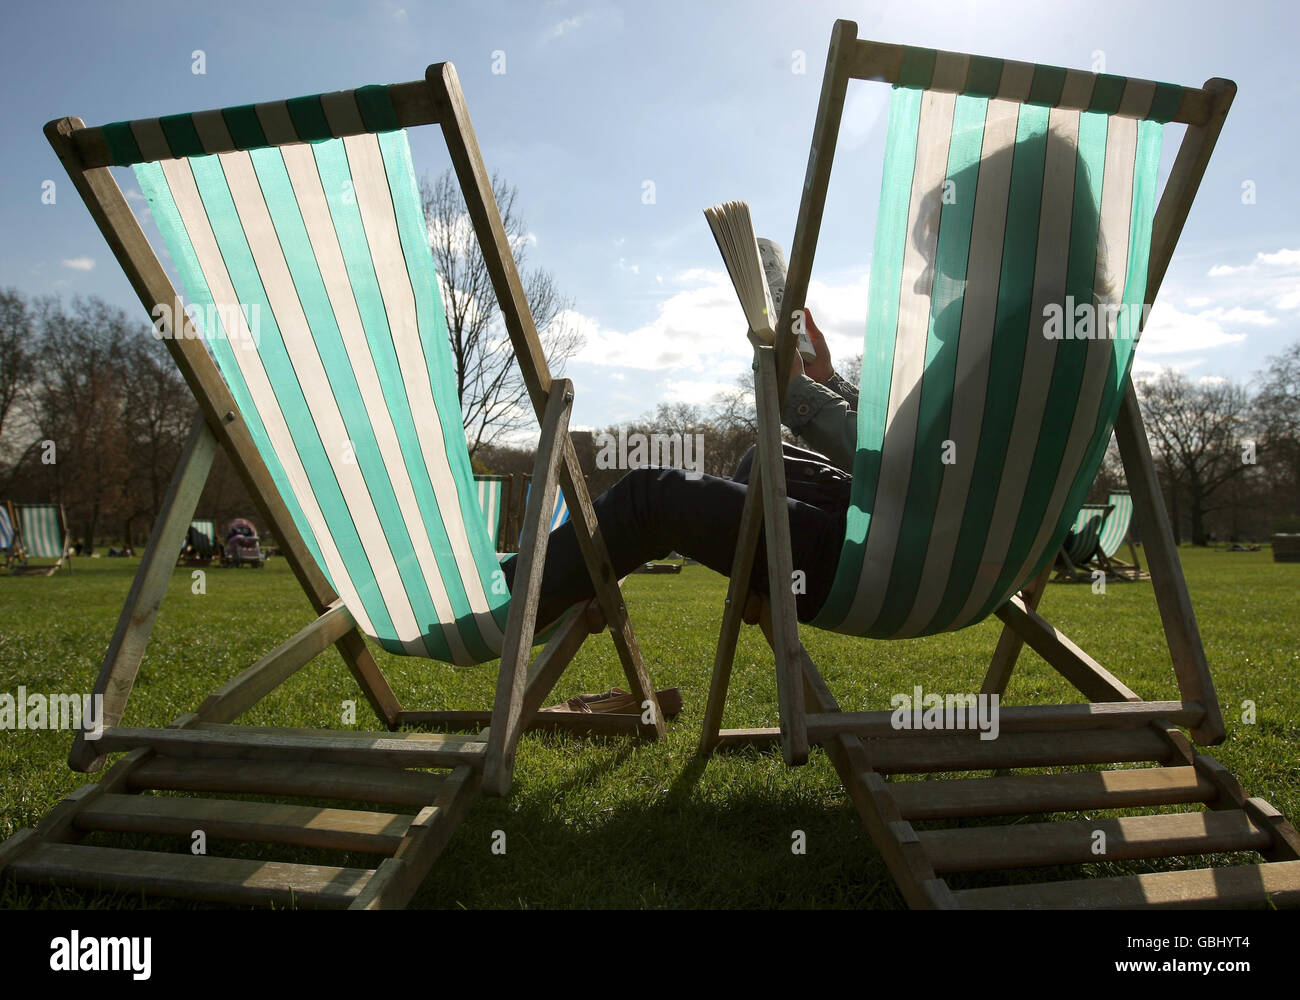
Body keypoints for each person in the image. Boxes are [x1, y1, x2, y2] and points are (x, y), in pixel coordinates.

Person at [500, 308, 859, 628]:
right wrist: (827, 381)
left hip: (851, 560)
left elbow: (891, 453)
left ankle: (505, 595)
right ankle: (551, 578)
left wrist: (796, 388)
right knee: (761, 460)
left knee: (651, 494)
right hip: (884, 542)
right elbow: (898, 445)